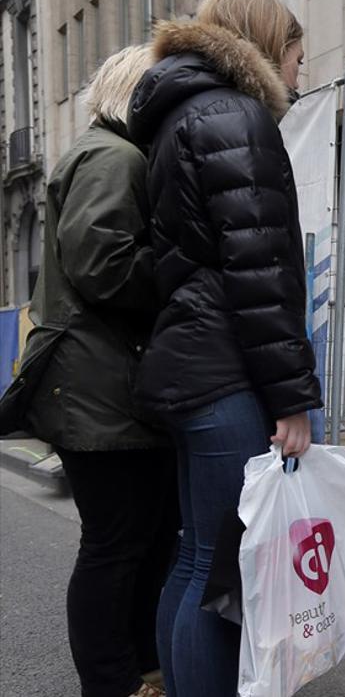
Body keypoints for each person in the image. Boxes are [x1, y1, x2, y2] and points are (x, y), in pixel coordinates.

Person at [127, 0, 321, 697]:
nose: (299, 79)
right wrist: (293, 399)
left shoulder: (178, 117)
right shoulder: (236, 116)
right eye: (298, 59)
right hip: (225, 375)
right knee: (224, 571)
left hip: (190, 369)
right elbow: (262, 272)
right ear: (270, 45)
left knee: (194, 559)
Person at [19, 44, 176, 697]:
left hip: (100, 386)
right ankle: (115, 681)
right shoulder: (116, 156)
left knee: (134, 543)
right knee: (115, 546)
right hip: (98, 390)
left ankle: (139, 668)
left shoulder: (103, 152)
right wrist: (180, 267)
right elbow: (102, 263)